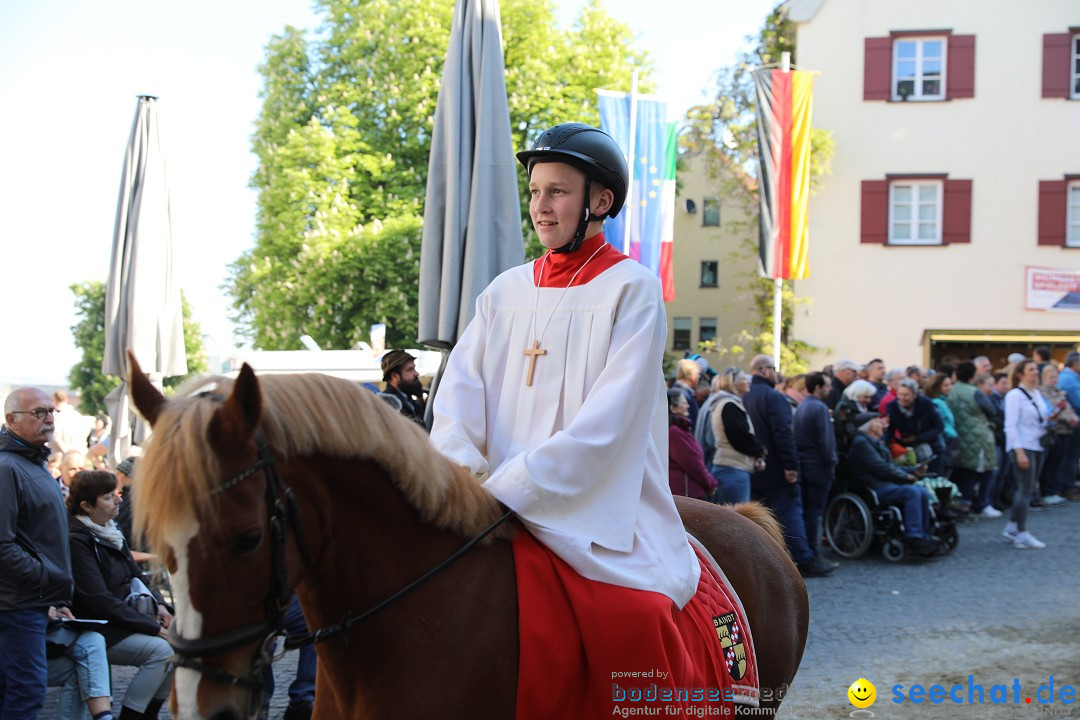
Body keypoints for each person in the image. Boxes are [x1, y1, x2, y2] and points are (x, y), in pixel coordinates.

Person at [430, 122, 698, 608]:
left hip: (592, 504)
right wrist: (464, 474)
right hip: (486, 501)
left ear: (599, 202)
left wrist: (515, 489)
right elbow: (457, 397)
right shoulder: (504, 292)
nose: (540, 206)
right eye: (534, 191)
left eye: (557, 191)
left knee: (639, 614)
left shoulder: (631, 288)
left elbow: (610, 422)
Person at [68, 470, 174, 718]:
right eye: (107, 497)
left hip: (127, 617)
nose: (118, 500)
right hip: (100, 627)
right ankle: (132, 716)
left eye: (116, 493)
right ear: (86, 506)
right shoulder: (78, 540)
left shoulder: (109, 529)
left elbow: (138, 574)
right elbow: (98, 600)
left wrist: (161, 606)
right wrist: (153, 628)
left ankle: (149, 714)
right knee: (164, 651)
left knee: (183, 642)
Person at [1, 388, 74, 719]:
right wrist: (45, 578)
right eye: (39, 413)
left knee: (17, 690)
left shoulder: (34, 462)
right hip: (17, 605)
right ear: (11, 420)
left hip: (32, 601)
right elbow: (3, 545)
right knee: (26, 691)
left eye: (51, 412)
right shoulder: (7, 467)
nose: (48, 418)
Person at [744, 355, 833, 577]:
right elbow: (784, 434)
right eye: (773, 369)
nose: (777, 373)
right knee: (790, 513)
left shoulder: (743, 396)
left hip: (752, 467)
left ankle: (763, 562)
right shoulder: (774, 397)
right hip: (776, 467)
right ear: (764, 371)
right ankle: (804, 559)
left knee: (755, 518)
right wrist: (791, 466)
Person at [846, 414, 941, 557]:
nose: (883, 425)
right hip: (873, 487)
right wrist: (906, 476)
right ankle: (914, 536)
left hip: (884, 482)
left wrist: (913, 470)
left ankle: (923, 535)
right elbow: (881, 468)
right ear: (871, 426)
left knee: (921, 490)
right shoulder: (862, 443)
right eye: (879, 422)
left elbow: (889, 466)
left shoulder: (875, 441)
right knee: (912, 492)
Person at [1002, 359, 1050, 549]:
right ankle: (1022, 533)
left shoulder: (1036, 393)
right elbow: (1010, 425)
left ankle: (1013, 525)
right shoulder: (1014, 395)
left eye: (1035, 369)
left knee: (1027, 488)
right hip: (1023, 446)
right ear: (1020, 373)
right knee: (1024, 490)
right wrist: (1019, 452)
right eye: (1031, 369)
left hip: (1036, 444)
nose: (1035, 372)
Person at [793, 372, 837, 562]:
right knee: (815, 512)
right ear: (818, 387)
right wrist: (831, 462)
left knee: (808, 511)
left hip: (805, 463)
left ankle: (809, 550)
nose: (830, 389)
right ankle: (814, 553)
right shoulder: (819, 408)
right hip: (818, 465)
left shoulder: (802, 406)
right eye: (827, 385)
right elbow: (826, 441)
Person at [704, 367, 764, 504]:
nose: (749, 381)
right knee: (736, 521)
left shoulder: (727, 403)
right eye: (744, 378)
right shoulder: (729, 405)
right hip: (733, 471)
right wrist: (760, 452)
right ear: (734, 383)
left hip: (731, 469)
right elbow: (741, 438)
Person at [948, 362, 999, 517]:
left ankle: (962, 504)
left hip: (957, 434)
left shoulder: (951, 390)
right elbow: (991, 410)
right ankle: (979, 504)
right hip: (978, 435)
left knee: (962, 472)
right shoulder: (974, 392)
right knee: (981, 472)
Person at [1037, 363, 1078, 505]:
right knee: (1050, 464)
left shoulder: (1058, 391)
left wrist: (1073, 417)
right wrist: (1069, 417)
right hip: (1055, 431)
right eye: (1051, 377)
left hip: (1066, 430)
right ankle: (1046, 491)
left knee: (1058, 463)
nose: (1054, 379)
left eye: (1055, 377)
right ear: (1044, 377)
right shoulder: (1043, 392)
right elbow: (1052, 411)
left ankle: (1053, 490)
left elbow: (1068, 408)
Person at [666, 388, 717, 500]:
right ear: (673, 408)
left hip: (688, 493)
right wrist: (711, 483)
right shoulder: (675, 432)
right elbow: (693, 463)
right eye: (684, 402)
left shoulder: (680, 429)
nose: (688, 406)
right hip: (687, 494)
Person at [887, 378, 946, 474]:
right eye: (900, 394)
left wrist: (917, 438)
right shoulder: (892, 407)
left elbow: (939, 426)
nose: (902, 398)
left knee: (934, 475)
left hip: (932, 444)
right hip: (908, 447)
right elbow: (890, 430)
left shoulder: (926, 404)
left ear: (914, 395)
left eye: (906, 395)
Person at [380, 349, 426, 426]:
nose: (416, 373)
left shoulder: (409, 400)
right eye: (410, 369)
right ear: (395, 376)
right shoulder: (388, 404)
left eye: (414, 368)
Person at [833, 379, 878, 456]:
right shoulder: (844, 407)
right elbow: (847, 429)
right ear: (857, 394)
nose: (868, 400)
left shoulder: (858, 406)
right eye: (866, 397)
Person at [1057, 351, 1080, 500]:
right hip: (1070, 424)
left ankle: (1068, 484)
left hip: (1072, 423)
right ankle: (1067, 486)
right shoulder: (1068, 379)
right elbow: (1077, 401)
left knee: (1071, 456)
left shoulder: (1071, 378)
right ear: (1075, 363)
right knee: (1070, 456)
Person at [672, 359, 702, 430]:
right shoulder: (682, 394)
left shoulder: (679, 391)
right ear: (693, 376)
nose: (699, 377)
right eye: (698, 374)